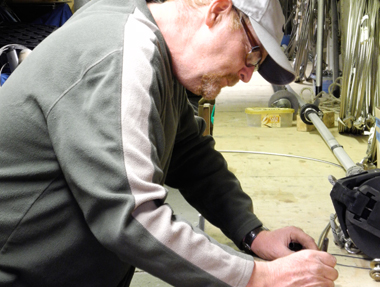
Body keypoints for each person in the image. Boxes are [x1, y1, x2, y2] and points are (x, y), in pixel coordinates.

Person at [0, 0, 339, 286]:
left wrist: (253, 234)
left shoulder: (157, 51)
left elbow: (189, 155)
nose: (247, 74)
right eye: (252, 54)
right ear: (217, 11)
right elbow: (134, 218)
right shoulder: (124, 53)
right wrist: (259, 277)